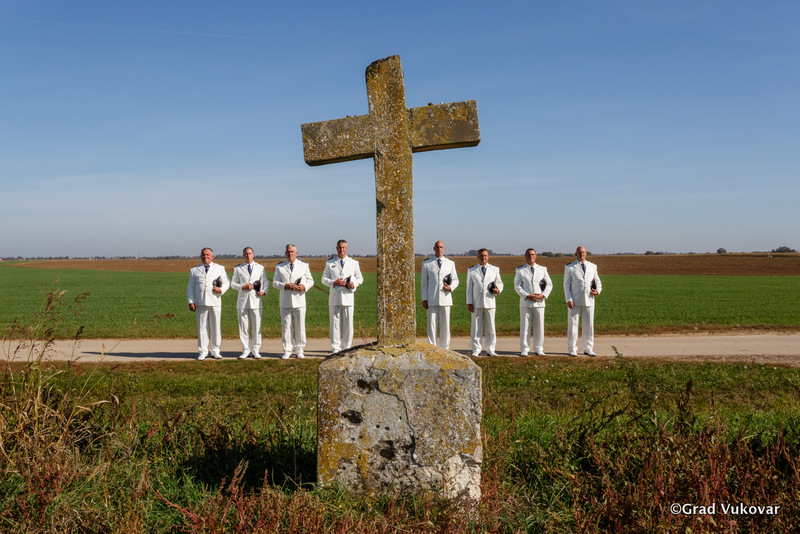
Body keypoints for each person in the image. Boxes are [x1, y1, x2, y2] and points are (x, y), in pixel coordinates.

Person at [186, 247, 229, 360]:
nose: (205, 257)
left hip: (215, 301)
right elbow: (190, 287)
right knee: (202, 328)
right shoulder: (195, 270)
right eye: (203, 255)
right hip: (201, 303)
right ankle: (203, 351)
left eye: (208, 255)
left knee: (216, 327)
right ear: (201, 256)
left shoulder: (219, 268)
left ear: (212, 256)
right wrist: (191, 301)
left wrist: (221, 290)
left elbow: (226, 282)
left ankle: (215, 350)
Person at [322, 239, 364, 353]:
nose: (341, 250)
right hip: (335, 298)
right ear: (336, 249)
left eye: (343, 247)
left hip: (348, 297)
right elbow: (324, 279)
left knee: (348, 324)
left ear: (347, 248)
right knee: (334, 324)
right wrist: (334, 282)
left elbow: (360, 278)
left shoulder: (354, 263)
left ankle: (347, 347)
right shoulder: (330, 263)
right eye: (339, 248)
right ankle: (336, 348)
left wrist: (354, 284)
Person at [273, 244, 314, 359]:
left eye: (292, 252)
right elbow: (275, 283)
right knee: (286, 327)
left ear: (296, 253)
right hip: (285, 301)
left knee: (300, 326)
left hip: (299, 300)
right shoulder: (280, 267)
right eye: (288, 252)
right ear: (285, 253)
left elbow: (310, 281)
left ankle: (299, 349)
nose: (290, 254)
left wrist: (304, 287)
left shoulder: (304, 266)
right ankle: (287, 349)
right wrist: (284, 285)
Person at [563, 246, 602, 357]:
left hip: (589, 300)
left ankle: (588, 348)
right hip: (575, 301)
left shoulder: (593, 266)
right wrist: (569, 299)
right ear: (576, 254)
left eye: (583, 252)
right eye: (579, 252)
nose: (582, 254)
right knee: (573, 326)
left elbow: (598, 282)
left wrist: (598, 291)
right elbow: (566, 285)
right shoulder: (570, 267)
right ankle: (572, 348)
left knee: (589, 326)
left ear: (586, 253)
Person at [420, 240, 459, 349]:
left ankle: (445, 348)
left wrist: (450, 288)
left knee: (445, 325)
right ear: (434, 249)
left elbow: (455, 280)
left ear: (444, 249)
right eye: (437, 247)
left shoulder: (450, 263)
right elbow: (424, 283)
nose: (439, 249)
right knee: (431, 325)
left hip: (445, 298)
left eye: (441, 247)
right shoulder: (427, 263)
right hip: (431, 299)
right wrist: (424, 299)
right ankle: (432, 347)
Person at [230, 246, 268, 359]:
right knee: (243, 327)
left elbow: (265, 282)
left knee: (256, 327)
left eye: (250, 253)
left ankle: (256, 350)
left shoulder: (260, 267)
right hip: (243, 302)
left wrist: (263, 291)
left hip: (256, 301)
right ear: (243, 255)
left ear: (253, 254)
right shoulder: (238, 268)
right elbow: (233, 284)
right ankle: (245, 350)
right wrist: (243, 287)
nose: (248, 255)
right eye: (246, 254)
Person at [514, 248, 553, 356]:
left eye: (532, 254)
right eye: (528, 254)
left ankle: (539, 348)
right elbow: (517, 286)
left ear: (535, 256)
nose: (530, 256)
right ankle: (524, 348)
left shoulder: (542, 269)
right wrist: (527, 296)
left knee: (539, 326)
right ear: (525, 256)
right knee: (525, 326)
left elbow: (549, 284)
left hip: (539, 302)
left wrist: (543, 295)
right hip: (526, 302)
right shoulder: (520, 270)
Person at [466, 248, 503, 356]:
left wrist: (498, 289)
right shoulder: (472, 270)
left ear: (488, 257)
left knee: (491, 327)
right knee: (476, 327)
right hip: (476, 303)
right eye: (481, 255)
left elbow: (499, 283)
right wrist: (469, 302)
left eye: (485, 255)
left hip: (490, 301)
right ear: (478, 257)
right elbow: (469, 288)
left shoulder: (494, 269)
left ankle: (490, 349)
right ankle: (476, 349)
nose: (483, 257)